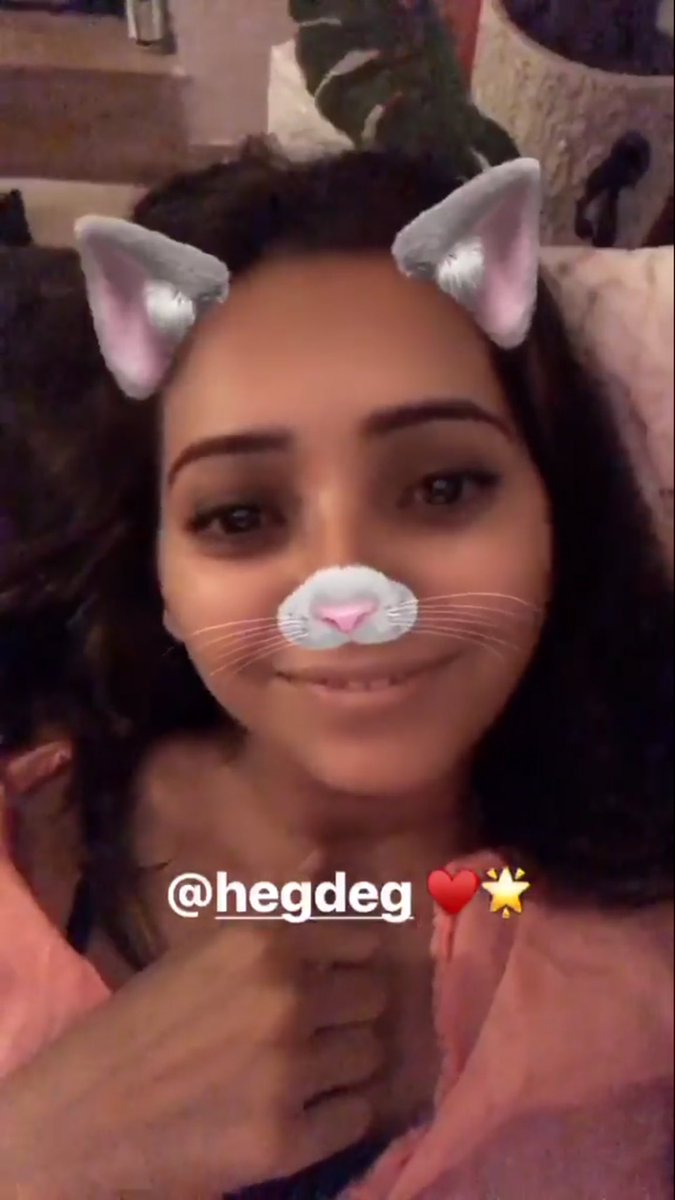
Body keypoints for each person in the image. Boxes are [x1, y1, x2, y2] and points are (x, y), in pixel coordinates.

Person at [0, 138, 672, 1199]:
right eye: (240, 515)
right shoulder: (25, 856)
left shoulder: (632, 981)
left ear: (556, 516)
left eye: (442, 488)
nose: (346, 589)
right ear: (158, 568)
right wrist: (37, 1153)